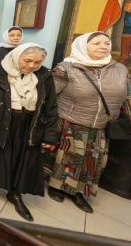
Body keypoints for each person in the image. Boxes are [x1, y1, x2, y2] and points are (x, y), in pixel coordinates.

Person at [0, 43, 59, 222]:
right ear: (17, 56)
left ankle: (15, 193)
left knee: (23, 159)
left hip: (30, 124)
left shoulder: (44, 75)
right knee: (0, 155)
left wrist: (50, 135)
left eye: (37, 62)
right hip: (3, 120)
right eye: (27, 60)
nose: (32, 66)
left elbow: (51, 107)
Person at [47, 31, 130, 213]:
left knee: (92, 162)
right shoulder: (66, 68)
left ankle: (79, 192)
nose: (103, 46)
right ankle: (57, 186)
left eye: (106, 43)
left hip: (101, 126)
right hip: (71, 123)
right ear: (83, 46)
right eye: (96, 43)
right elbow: (50, 96)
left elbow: (126, 97)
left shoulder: (120, 69)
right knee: (68, 159)